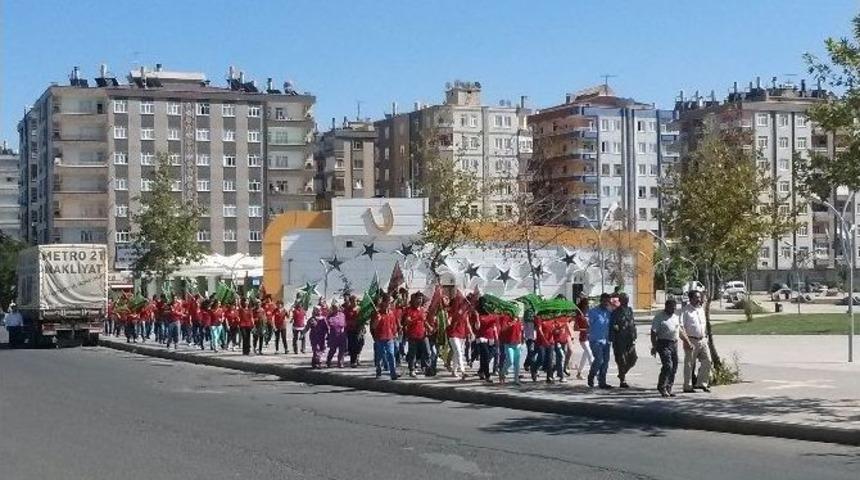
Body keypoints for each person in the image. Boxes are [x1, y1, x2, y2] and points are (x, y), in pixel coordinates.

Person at [681, 290, 712, 393]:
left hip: (702, 340)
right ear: (690, 299)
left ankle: (702, 383)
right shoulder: (686, 311)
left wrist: (705, 336)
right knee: (690, 364)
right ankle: (688, 386)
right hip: (691, 340)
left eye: (699, 297)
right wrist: (686, 341)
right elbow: (681, 327)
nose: (699, 299)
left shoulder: (701, 310)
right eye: (696, 297)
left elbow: (703, 324)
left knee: (707, 361)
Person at [651, 298, 681, 397]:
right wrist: (654, 346)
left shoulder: (675, 317)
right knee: (668, 365)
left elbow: (679, 330)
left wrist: (687, 342)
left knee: (674, 366)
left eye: (674, 308)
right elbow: (653, 332)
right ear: (666, 307)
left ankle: (669, 387)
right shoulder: (659, 317)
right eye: (671, 308)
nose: (673, 310)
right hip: (663, 343)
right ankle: (662, 386)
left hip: (674, 344)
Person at [609, 293, 637, 388]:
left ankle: (622, 373)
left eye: (627, 299)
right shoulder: (615, 312)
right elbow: (612, 325)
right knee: (621, 360)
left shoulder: (630, 310)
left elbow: (632, 322)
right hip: (619, 339)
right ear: (620, 300)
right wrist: (613, 337)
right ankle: (623, 380)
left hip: (630, 338)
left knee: (633, 359)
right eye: (625, 299)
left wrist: (634, 334)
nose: (627, 301)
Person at [370, 293, 399, 380]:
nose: (390, 304)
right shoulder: (377, 313)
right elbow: (373, 327)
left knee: (391, 354)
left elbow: (393, 325)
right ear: (384, 302)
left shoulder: (391, 313)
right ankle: (378, 369)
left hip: (389, 337)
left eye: (391, 302)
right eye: (388, 302)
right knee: (380, 355)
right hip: (379, 338)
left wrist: (395, 333)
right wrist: (377, 320)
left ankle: (393, 373)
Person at [587, 293, 613, 388]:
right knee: (599, 360)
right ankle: (591, 375)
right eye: (605, 301)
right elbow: (588, 325)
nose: (606, 303)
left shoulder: (608, 313)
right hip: (595, 340)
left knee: (605, 362)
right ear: (601, 301)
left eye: (608, 301)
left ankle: (602, 382)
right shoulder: (593, 312)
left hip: (606, 340)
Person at [403, 292, 430, 377]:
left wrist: (429, 327)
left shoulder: (423, 310)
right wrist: (415, 319)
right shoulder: (409, 310)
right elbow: (407, 322)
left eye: (421, 299)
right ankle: (412, 369)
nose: (419, 300)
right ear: (414, 300)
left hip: (423, 334)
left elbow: (424, 321)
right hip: (413, 335)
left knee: (427, 351)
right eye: (418, 299)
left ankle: (425, 367)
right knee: (412, 353)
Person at [446, 292, 471, 379]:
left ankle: (454, 371)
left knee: (457, 353)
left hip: (462, 334)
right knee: (459, 352)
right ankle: (463, 371)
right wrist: (450, 322)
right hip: (453, 334)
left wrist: (471, 333)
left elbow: (467, 324)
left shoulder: (465, 313)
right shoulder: (451, 312)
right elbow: (448, 321)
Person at [498, 314, 523, 386]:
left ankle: (516, 380)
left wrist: (521, 342)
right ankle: (502, 373)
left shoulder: (519, 321)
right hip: (508, 344)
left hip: (517, 344)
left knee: (516, 363)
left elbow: (520, 332)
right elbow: (502, 330)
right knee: (510, 361)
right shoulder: (506, 319)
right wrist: (511, 324)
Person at [530, 315, 555, 383]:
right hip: (541, 342)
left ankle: (549, 376)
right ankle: (534, 369)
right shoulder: (539, 318)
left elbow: (554, 329)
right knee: (542, 358)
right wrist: (544, 340)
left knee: (550, 359)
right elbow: (539, 330)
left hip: (550, 342)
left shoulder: (552, 318)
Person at [573, 298, 593, 380]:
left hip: (590, 337)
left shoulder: (589, 314)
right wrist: (585, 329)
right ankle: (596, 373)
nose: (587, 306)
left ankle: (579, 373)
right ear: (583, 305)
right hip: (583, 338)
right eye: (586, 305)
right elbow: (575, 328)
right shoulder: (579, 316)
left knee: (585, 356)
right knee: (590, 354)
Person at [326, 301, 348, 368]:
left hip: (342, 335)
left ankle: (340, 363)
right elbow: (329, 325)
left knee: (342, 350)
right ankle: (328, 361)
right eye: (334, 307)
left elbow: (344, 324)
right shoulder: (330, 317)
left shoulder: (342, 314)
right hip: (333, 336)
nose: (336, 308)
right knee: (333, 350)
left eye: (337, 307)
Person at [343, 295, 363, 367]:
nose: (355, 302)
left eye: (356, 301)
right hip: (351, 330)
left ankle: (357, 357)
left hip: (360, 329)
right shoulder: (347, 310)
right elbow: (344, 320)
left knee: (360, 344)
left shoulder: (359, 309)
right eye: (354, 301)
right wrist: (352, 322)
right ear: (350, 301)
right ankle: (353, 361)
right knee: (352, 345)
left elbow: (363, 318)